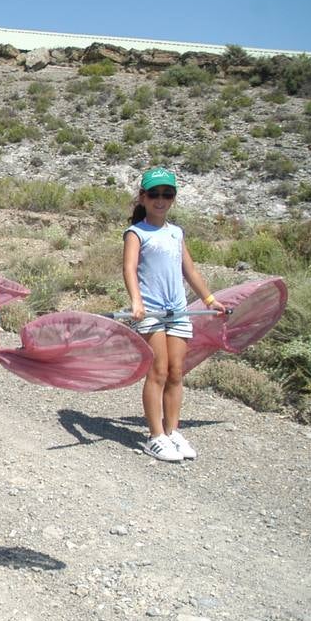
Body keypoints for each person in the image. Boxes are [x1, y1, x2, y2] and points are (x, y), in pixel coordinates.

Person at [123, 167, 220, 463]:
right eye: (154, 194)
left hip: (177, 311)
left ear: (173, 198)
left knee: (177, 373)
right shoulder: (136, 232)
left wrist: (209, 299)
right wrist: (136, 302)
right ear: (143, 197)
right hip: (151, 312)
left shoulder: (176, 233)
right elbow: (129, 269)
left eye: (167, 194)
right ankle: (155, 437)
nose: (161, 200)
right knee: (158, 372)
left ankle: (172, 430)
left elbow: (188, 269)